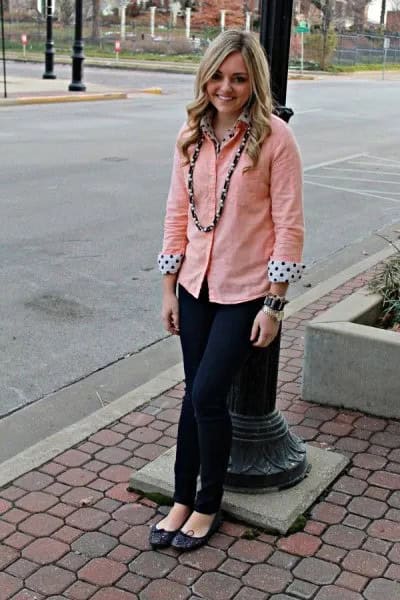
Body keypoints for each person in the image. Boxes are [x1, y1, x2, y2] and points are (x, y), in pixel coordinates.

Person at [150, 29, 305, 552]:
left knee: (208, 394)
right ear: (205, 78)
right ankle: (180, 499)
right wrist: (169, 288)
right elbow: (176, 215)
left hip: (245, 293)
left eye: (238, 78)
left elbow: (289, 225)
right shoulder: (190, 137)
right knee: (194, 394)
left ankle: (208, 502)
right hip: (194, 286)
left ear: (253, 81)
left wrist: (276, 304)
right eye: (218, 75)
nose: (226, 87)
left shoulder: (274, 139)